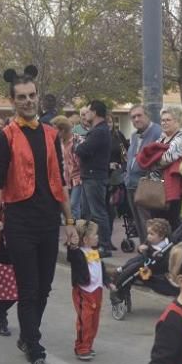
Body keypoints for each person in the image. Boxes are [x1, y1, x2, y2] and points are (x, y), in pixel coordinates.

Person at [0, 67, 80, 364]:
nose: (28, 101)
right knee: (28, 289)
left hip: (48, 220)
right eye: (22, 97)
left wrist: (69, 221)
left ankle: (27, 335)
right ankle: (36, 352)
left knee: (44, 287)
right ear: (13, 101)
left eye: (32, 95)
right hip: (20, 222)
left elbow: (60, 180)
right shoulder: (5, 137)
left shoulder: (51, 134)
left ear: (38, 97)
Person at [74, 100, 113, 256]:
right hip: (90, 176)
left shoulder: (99, 131)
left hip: (94, 176)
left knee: (98, 212)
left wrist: (79, 145)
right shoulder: (98, 130)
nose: (85, 115)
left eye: (88, 111)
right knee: (87, 213)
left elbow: (83, 149)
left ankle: (105, 245)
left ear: (95, 112)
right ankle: (88, 242)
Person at [151, 107, 182, 228]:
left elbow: (166, 159)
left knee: (170, 222)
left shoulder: (181, 138)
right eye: (162, 120)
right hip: (157, 186)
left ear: (177, 122)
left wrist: (152, 162)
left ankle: (173, 241)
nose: (164, 123)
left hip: (173, 187)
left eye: (168, 120)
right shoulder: (161, 138)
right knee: (156, 222)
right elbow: (151, 155)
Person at [66, 220, 105, 361]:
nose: (97, 237)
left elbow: (101, 269)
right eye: (95, 234)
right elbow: (71, 255)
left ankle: (88, 345)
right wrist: (73, 245)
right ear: (85, 239)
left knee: (94, 320)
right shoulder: (78, 253)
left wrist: (108, 282)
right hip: (84, 291)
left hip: (97, 290)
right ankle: (81, 347)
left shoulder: (95, 252)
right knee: (85, 320)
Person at [125, 104, 163, 238]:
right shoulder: (134, 136)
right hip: (131, 185)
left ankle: (152, 249)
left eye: (139, 115)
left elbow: (161, 160)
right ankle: (144, 248)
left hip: (147, 186)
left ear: (147, 115)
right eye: (133, 117)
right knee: (139, 224)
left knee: (149, 225)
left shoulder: (158, 132)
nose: (136, 119)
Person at [52, 115, 83, 220]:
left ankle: (76, 227)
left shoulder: (77, 140)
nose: (54, 133)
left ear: (63, 130)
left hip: (77, 178)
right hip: (65, 179)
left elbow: (82, 161)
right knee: (65, 206)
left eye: (56, 130)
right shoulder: (58, 142)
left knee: (74, 205)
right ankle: (70, 225)